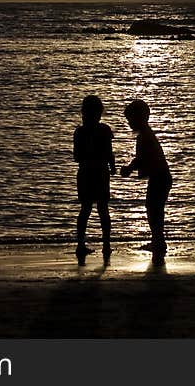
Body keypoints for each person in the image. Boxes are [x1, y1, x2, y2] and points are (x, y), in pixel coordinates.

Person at [120, 99, 172, 255]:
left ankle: (158, 241)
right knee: (154, 209)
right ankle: (158, 240)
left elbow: (141, 158)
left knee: (153, 209)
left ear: (139, 118)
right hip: (160, 177)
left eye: (130, 120)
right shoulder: (145, 134)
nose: (129, 124)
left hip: (160, 177)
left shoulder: (145, 136)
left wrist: (129, 168)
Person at [73, 95, 115, 263]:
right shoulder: (104, 130)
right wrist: (112, 167)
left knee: (85, 209)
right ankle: (106, 244)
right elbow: (109, 153)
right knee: (103, 209)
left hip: (84, 172)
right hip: (100, 172)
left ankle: (81, 244)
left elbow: (76, 157)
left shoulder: (79, 132)